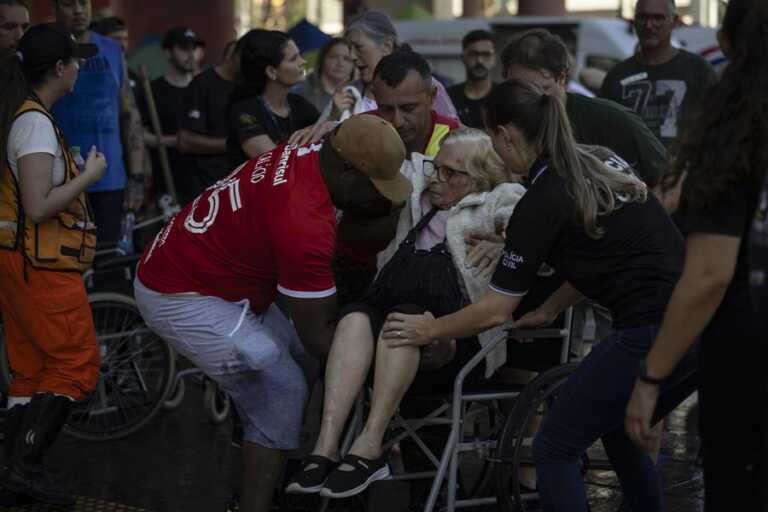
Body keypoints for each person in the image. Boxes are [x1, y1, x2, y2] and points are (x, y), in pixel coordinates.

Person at [383, 80, 699, 512]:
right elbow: (609, 251)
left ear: (504, 135)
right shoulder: (598, 160)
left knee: (554, 447)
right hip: (700, 322)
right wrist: (550, 307)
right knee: (623, 430)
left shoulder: (540, 201)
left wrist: (430, 327)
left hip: (653, 328)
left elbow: (496, 309)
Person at [134, 114, 409, 512]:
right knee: (281, 388)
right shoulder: (304, 222)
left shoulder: (309, 149)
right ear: (348, 174)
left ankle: (281, 471)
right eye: (374, 189)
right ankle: (254, 504)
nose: (376, 201)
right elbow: (320, 336)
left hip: (201, 269)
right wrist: (390, 358)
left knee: (297, 361)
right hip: (179, 294)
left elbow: (309, 346)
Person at [284, 128, 525, 498]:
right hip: (385, 325)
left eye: (451, 173)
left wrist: (507, 242)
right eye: (436, 167)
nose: (436, 179)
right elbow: (372, 154)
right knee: (354, 317)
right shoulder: (416, 189)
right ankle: (325, 448)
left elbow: (532, 223)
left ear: (480, 178)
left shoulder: (495, 200)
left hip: (457, 343)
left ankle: (369, 446)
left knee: (403, 320)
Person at [624, 1, 767, 510]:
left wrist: (651, 379)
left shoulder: (735, 130)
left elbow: (708, 273)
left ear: (728, 45)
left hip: (747, 370)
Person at [0, 23, 105, 505]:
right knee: (74, 363)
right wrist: (89, 178)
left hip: (19, 263)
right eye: (75, 61)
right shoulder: (35, 123)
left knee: (31, 367)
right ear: (60, 69)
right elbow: (39, 205)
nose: (80, 67)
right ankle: (24, 467)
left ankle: (13, 468)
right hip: (40, 266)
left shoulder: (29, 118)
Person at [331, 51, 460, 305]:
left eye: (409, 108)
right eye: (386, 109)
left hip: (437, 277)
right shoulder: (357, 134)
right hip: (360, 272)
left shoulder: (459, 142)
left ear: (433, 96)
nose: (398, 121)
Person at [502, 28, 668, 192]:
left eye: (539, 90)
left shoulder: (612, 120)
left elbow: (670, 179)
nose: (527, 101)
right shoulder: (502, 124)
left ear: (561, 78)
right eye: (517, 91)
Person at [51, 0, 145, 244]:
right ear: (55, 8)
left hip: (110, 176)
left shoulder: (112, 50)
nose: (79, 10)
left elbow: (130, 113)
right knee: (66, 267)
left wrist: (136, 175)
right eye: (69, 4)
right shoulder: (45, 48)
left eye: (83, 2)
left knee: (109, 264)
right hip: (60, 179)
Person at [599, 0, 717, 147]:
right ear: (634, 21)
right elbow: (602, 134)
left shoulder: (698, 70)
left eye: (658, 18)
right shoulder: (617, 76)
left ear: (674, 21)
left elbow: (717, 127)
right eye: (642, 17)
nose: (649, 25)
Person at [327, 9, 456, 122]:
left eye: (358, 47)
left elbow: (453, 134)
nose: (352, 56)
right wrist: (333, 117)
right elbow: (317, 142)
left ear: (387, 46)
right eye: (349, 48)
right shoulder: (347, 93)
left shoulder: (425, 86)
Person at [226, 29, 319, 168]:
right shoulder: (244, 109)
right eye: (294, 58)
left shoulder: (300, 104)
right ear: (271, 72)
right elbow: (275, 163)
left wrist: (333, 114)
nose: (303, 61)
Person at [136, 26, 201, 205]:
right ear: (167, 53)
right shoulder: (152, 91)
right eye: (183, 49)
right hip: (165, 181)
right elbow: (140, 134)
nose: (190, 54)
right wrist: (175, 141)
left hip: (202, 182)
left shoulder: (204, 89)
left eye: (193, 48)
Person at [178, 39, 239, 197]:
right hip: (205, 183)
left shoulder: (246, 86)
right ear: (235, 58)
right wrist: (232, 144)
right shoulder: (202, 84)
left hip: (237, 180)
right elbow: (185, 141)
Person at [448, 29, 496, 129]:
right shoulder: (448, 98)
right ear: (463, 58)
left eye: (486, 54)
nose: (479, 61)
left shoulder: (504, 96)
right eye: (473, 54)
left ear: (494, 59)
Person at [295, 37, 355, 113]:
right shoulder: (301, 90)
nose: (340, 63)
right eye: (333, 57)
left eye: (347, 59)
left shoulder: (358, 93)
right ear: (322, 59)